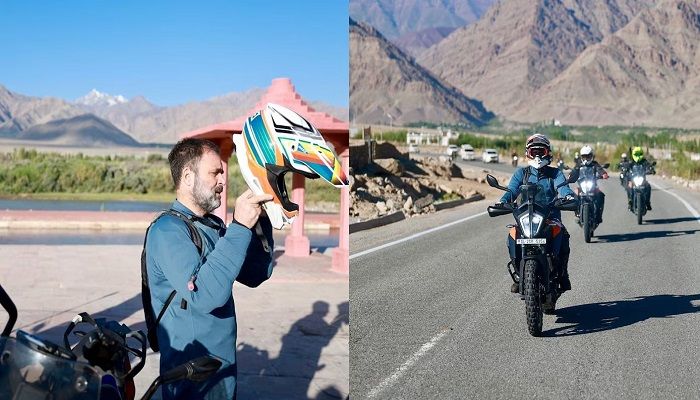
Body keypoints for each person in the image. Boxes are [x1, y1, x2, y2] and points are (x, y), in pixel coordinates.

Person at [145, 137, 274, 399]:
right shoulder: (167, 231)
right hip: (190, 377)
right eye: (214, 172)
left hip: (222, 370)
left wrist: (260, 222)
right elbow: (205, 294)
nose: (222, 181)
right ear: (188, 177)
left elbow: (255, 274)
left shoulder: (213, 226)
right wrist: (238, 228)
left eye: (222, 173)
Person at [499, 133, 576, 292]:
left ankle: (562, 274)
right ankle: (520, 274)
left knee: (563, 236)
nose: (538, 156)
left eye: (542, 152)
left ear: (548, 153)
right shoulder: (522, 173)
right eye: (534, 152)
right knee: (512, 234)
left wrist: (568, 196)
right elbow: (512, 190)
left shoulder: (555, 174)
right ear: (528, 153)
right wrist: (503, 201)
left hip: (550, 218)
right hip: (525, 217)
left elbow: (563, 187)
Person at [572, 145, 609, 224]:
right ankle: (577, 213)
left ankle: (599, 216)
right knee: (575, 192)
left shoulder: (595, 164)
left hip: (592, 186)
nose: (586, 159)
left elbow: (600, 169)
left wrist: (604, 174)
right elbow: (574, 171)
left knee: (601, 195)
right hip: (582, 186)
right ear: (581, 157)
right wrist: (570, 176)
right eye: (584, 157)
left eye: (588, 156)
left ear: (592, 156)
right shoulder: (579, 164)